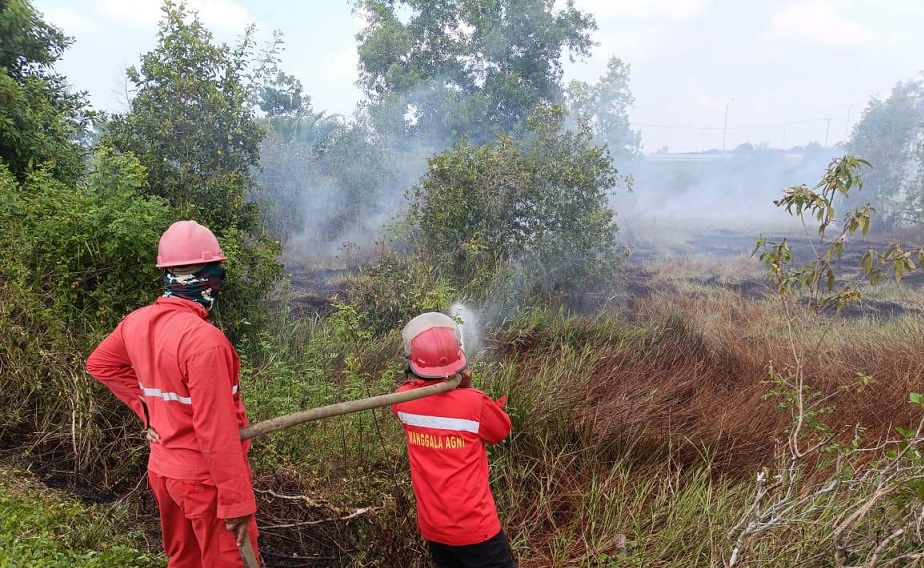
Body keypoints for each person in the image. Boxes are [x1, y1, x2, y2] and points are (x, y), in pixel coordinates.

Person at [86, 220, 260, 568]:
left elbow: (101, 364)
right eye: (217, 275)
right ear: (208, 280)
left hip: (165, 473)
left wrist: (148, 411)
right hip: (203, 482)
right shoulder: (204, 342)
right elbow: (217, 433)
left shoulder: (136, 322)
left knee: (184, 560)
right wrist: (237, 505)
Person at [392, 312, 517, 568]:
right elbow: (501, 431)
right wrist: (467, 388)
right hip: (476, 528)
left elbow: (413, 390)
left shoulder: (402, 402)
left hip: (434, 527)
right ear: (458, 362)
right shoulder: (474, 402)